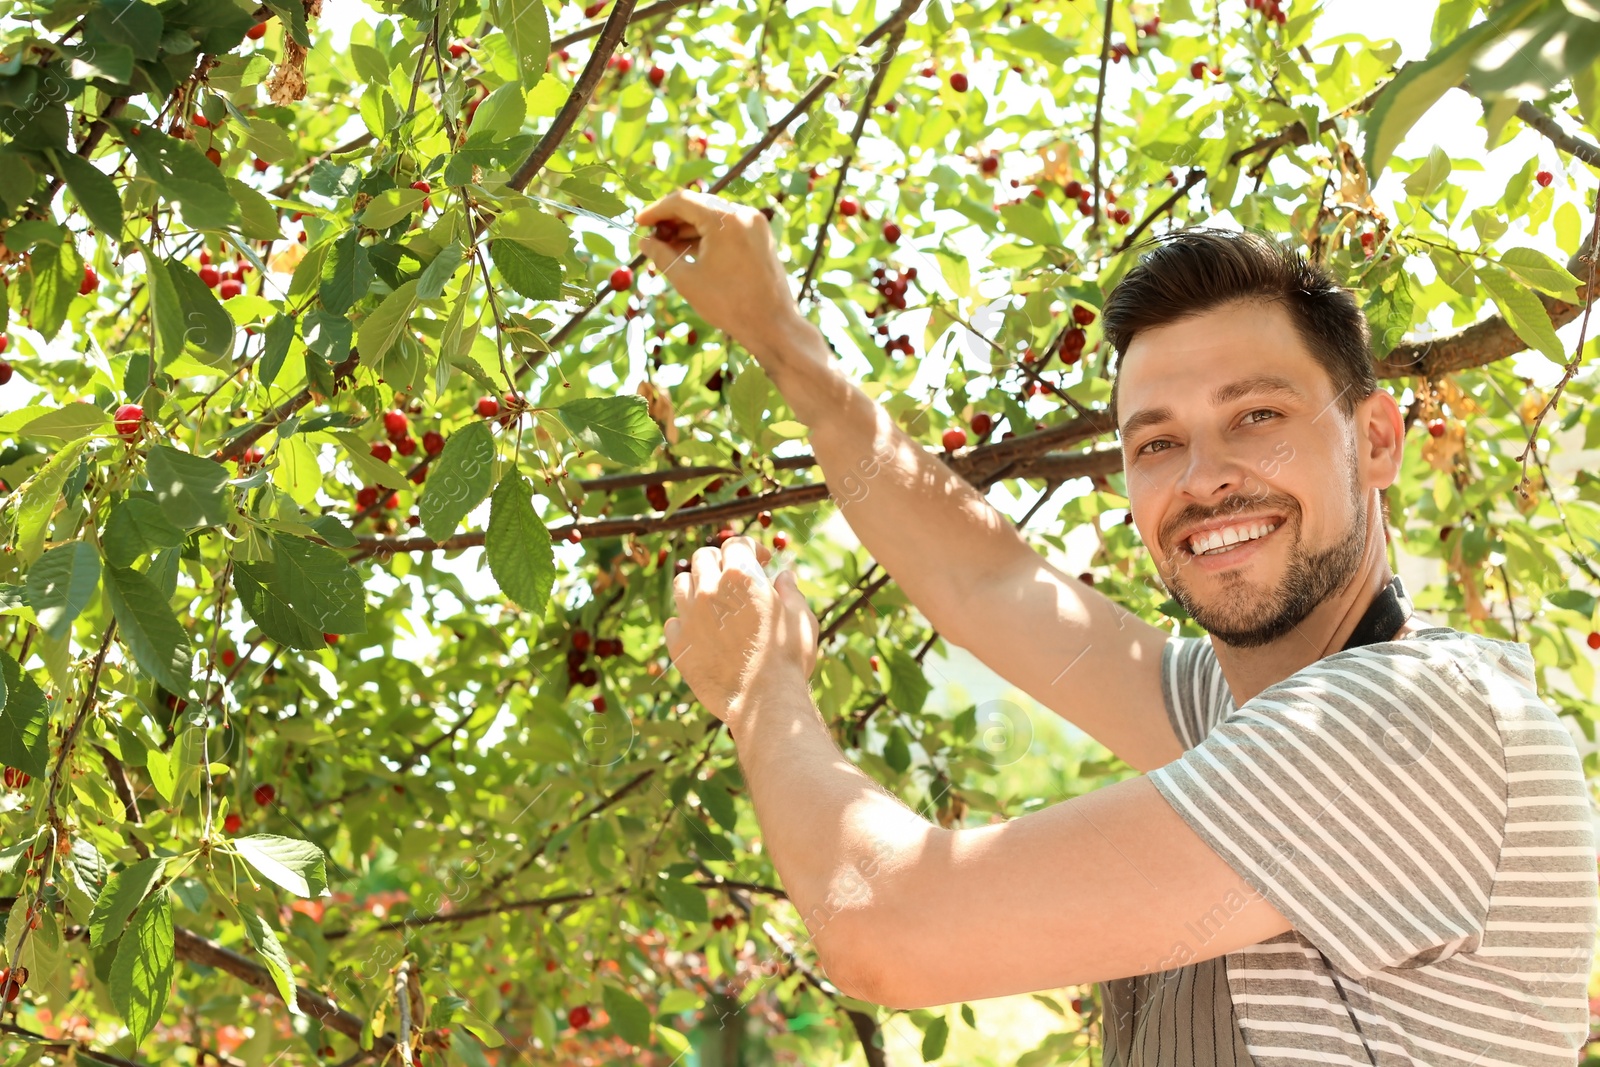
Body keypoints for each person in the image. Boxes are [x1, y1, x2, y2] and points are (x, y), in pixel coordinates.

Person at [635, 191, 1597, 1066]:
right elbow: (988, 581)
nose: (1202, 478)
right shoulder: (1243, 715)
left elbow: (886, 929)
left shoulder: (1406, 721)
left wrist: (762, 688)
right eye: (1157, 443)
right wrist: (781, 340)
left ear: (1378, 439)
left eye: (1257, 414)